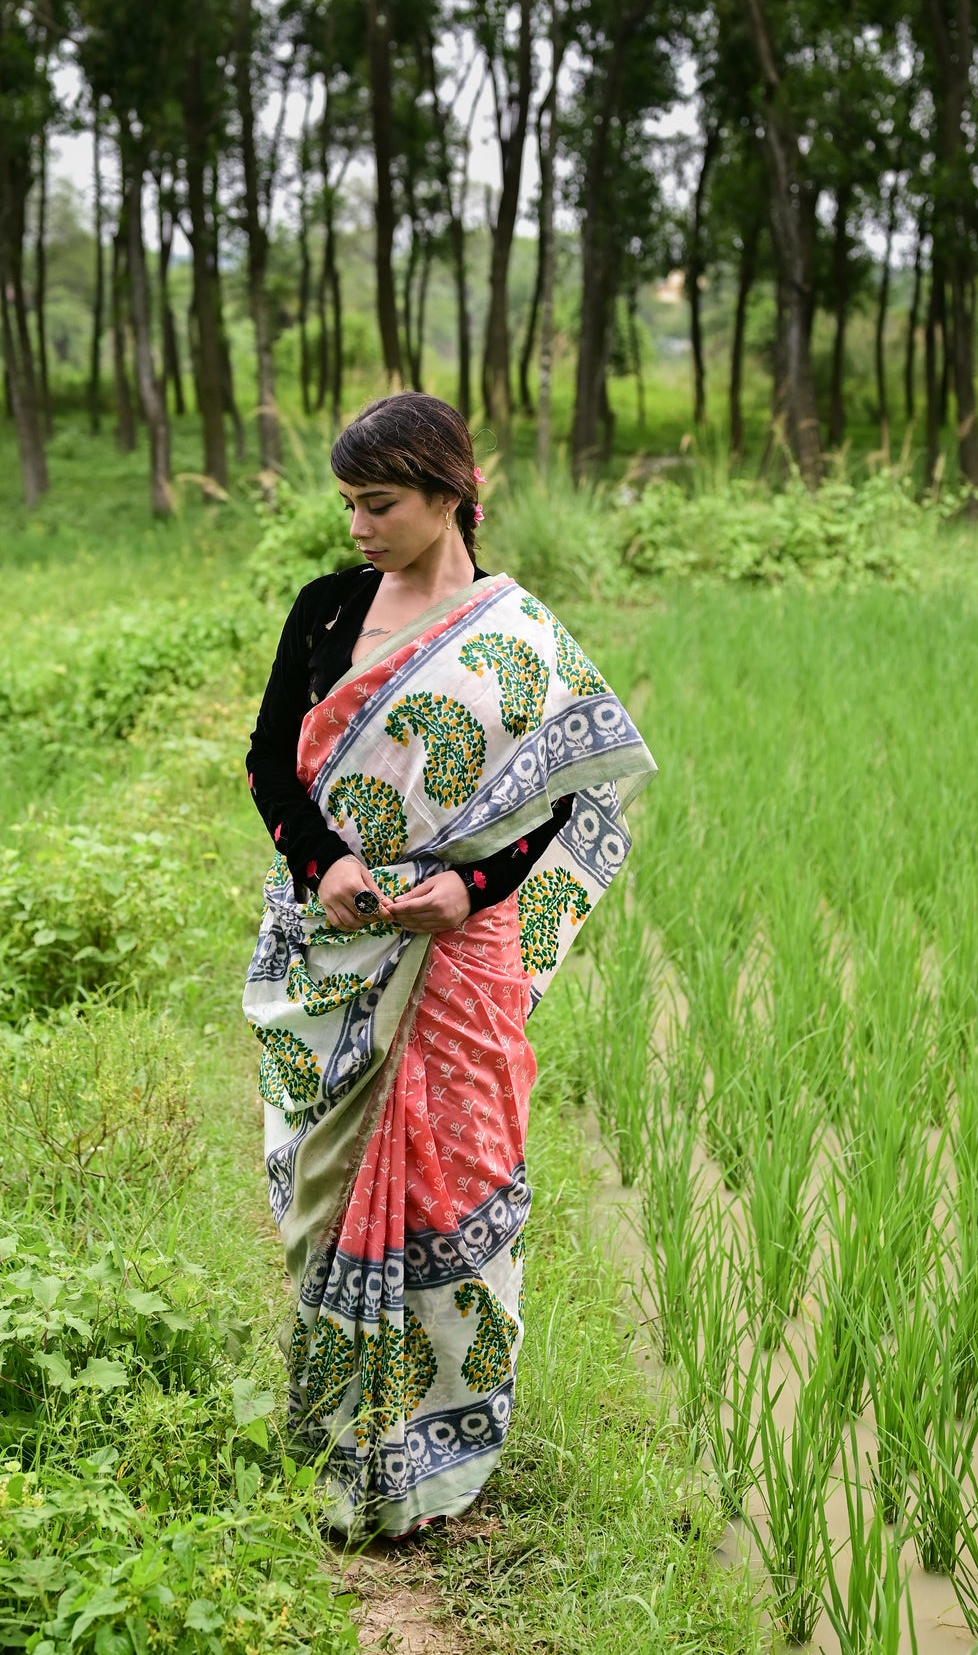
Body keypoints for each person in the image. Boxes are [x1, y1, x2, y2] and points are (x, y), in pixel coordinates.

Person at [244, 392, 656, 1537]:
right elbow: (269, 762)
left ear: (446, 494)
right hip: (331, 944)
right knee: (324, 1192)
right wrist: (325, 862)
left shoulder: (516, 636)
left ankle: (436, 1463)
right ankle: (342, 1439)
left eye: (377, 503)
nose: (357, 526)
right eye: (347, 504)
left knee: (456, 1187)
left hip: (457, 958)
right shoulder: (326, 608)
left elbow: (561, 794)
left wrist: (468, 887)